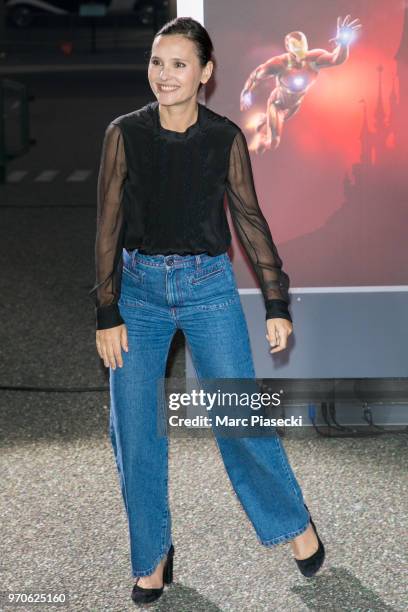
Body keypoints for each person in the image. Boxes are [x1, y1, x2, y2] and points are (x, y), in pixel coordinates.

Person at [89, 16, 325, 606]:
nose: (163, 75)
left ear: (205, 73)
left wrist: (276, 299)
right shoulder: (124, 133)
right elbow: (107, 225)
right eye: (155, 62)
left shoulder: (223, 137)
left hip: (208, 285)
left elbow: (247, 217)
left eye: (178, 64)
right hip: (137, 293)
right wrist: (106, 310)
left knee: (237, 416)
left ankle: (294, 524)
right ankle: (153, 556)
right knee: (135, 433)